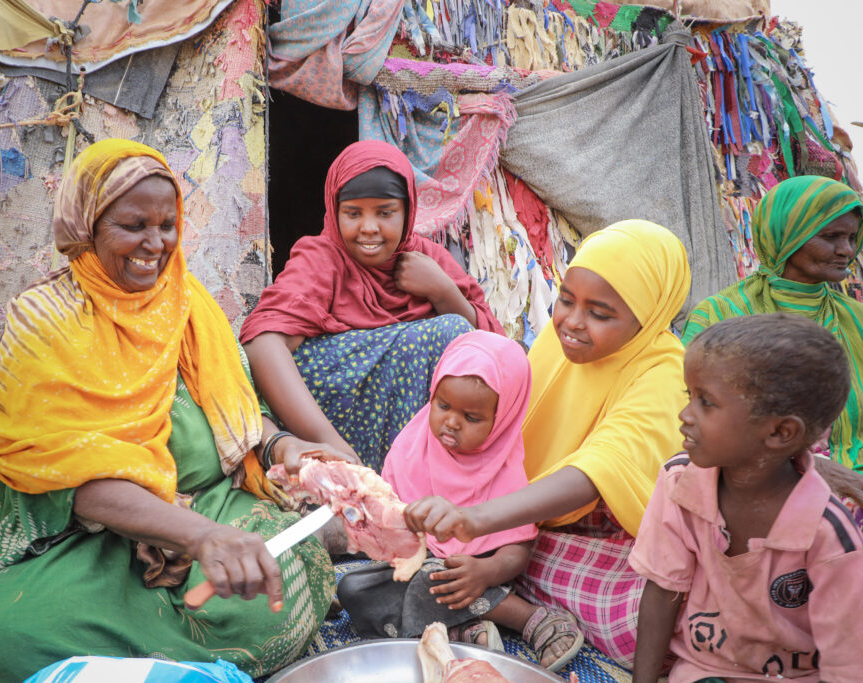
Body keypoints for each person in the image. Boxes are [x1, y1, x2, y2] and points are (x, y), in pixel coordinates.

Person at [0, 139, 348, 682]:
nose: (156, 243)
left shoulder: (187, 302)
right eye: (133, 224)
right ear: (87, 228)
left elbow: (237, 413)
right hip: (92, 542)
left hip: (216, 509)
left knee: (263, 584)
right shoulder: (44, 325)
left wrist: (285, 448)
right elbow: (72, 476)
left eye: (167, 224)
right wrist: (197, 538)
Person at [405, 220, 691, 669]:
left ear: (648, 317)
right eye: (566, 300)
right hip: (505, 511)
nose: (572, 323)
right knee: (427, 559)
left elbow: (597, 472)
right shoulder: (562, 347)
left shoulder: (663, 375)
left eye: (600, 314)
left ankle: (492, 597)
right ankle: (489, 596)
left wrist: (477, 519)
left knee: (649, 618)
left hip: (586, 531)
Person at [631, 314, 863, 682]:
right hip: (705, 671)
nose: (684, 416)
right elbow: (662, 591)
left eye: (705, 402)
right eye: (688, 396)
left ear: (779, 432)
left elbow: (857, 667)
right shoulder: (680, 481)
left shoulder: (829, 535)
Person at [240, 140, 503, 473]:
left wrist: (443, 291)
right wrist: (332, 444)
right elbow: (261, 341)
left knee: (456, 334)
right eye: (353, 213)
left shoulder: (426, 259)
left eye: (385, 212)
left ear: (408, 211)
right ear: (334, 211)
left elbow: (497, 353)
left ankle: (419, 477)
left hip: (415, 444)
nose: (368, 227)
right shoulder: (323, 259)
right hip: (329, 430)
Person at [681, 175, 863, 578]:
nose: (846, 251)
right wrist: (804, 466)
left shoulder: (855, 317)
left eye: (852, 237)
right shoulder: (720, 315)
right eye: (831, 237)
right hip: (762, 483)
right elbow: (695, 422)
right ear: (788, 234)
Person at [337, 331, 540, 655]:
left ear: (502, 420)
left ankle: (526, 617)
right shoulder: (412, 447)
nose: (451, 422)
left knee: (434, 578)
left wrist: (486, 571)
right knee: (353, 588)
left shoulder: (504, 467)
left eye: (471, 417)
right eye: (442, 405)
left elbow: (519, 548)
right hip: (413, 569)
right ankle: (461, 627)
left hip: (473, 578)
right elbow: (389, 516)